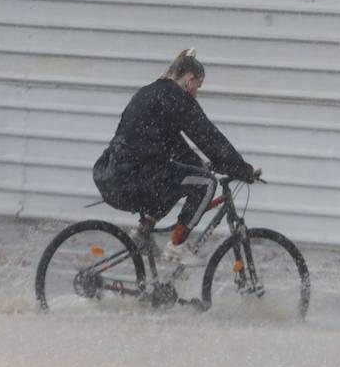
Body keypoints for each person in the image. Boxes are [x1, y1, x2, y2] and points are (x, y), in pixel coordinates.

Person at [93, 49, 260, 260]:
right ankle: (177, 247)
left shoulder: (150, 92)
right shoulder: (175, 96)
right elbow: (209, 137)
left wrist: (200, 164)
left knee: (177, 180)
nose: (196, 94)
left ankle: (142, 233)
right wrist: (243, 169)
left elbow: (174, 146)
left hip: (115, 178)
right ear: (189, 79)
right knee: (205, 184)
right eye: (198, 87)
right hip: (135, 179)